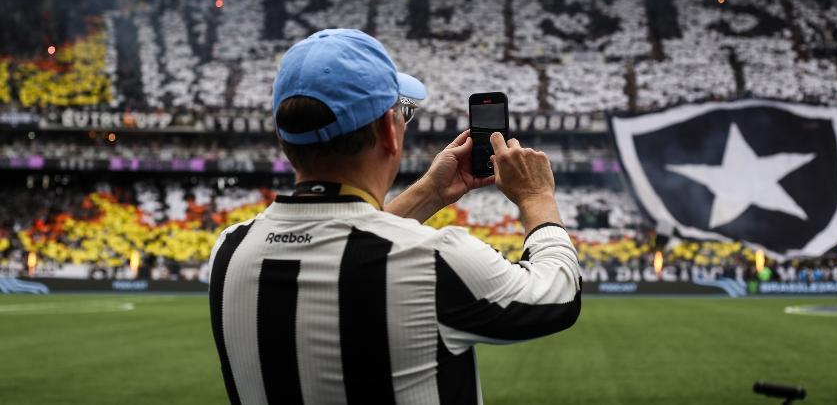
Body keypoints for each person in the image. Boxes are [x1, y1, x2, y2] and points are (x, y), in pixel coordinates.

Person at [208, 28, 581, 405]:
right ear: (390, 131)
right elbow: (559, 294)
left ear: (283, 138)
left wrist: (430, 193)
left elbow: (340, 239)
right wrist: (536, 197)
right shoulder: (435, 260)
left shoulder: (229, 251)